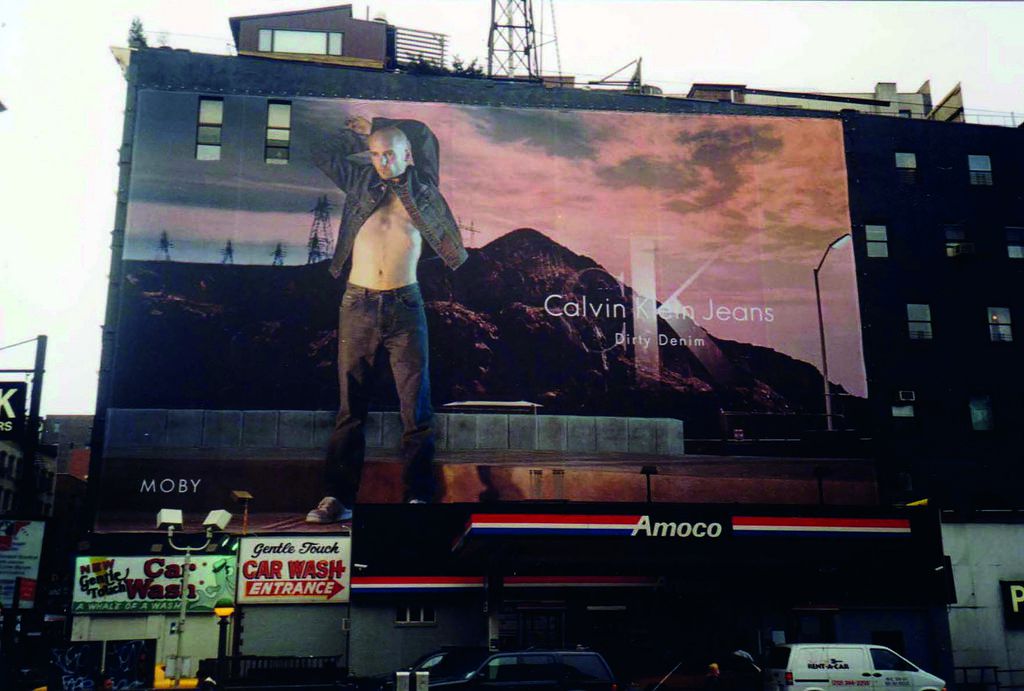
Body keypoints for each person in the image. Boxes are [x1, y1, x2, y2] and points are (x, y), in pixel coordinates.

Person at [305, 115, 467, 522]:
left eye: (389, 154)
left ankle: (417, 497)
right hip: (357, 303)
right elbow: (322, 151)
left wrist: (377, 122)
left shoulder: (423, 185)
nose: (381, 162)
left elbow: (426, 134)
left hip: (405, 306)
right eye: (375, 154)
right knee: (350, 408)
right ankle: (338, 500)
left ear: (408, 155)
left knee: (416, 409)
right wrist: (359, 134)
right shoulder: (360, 182)